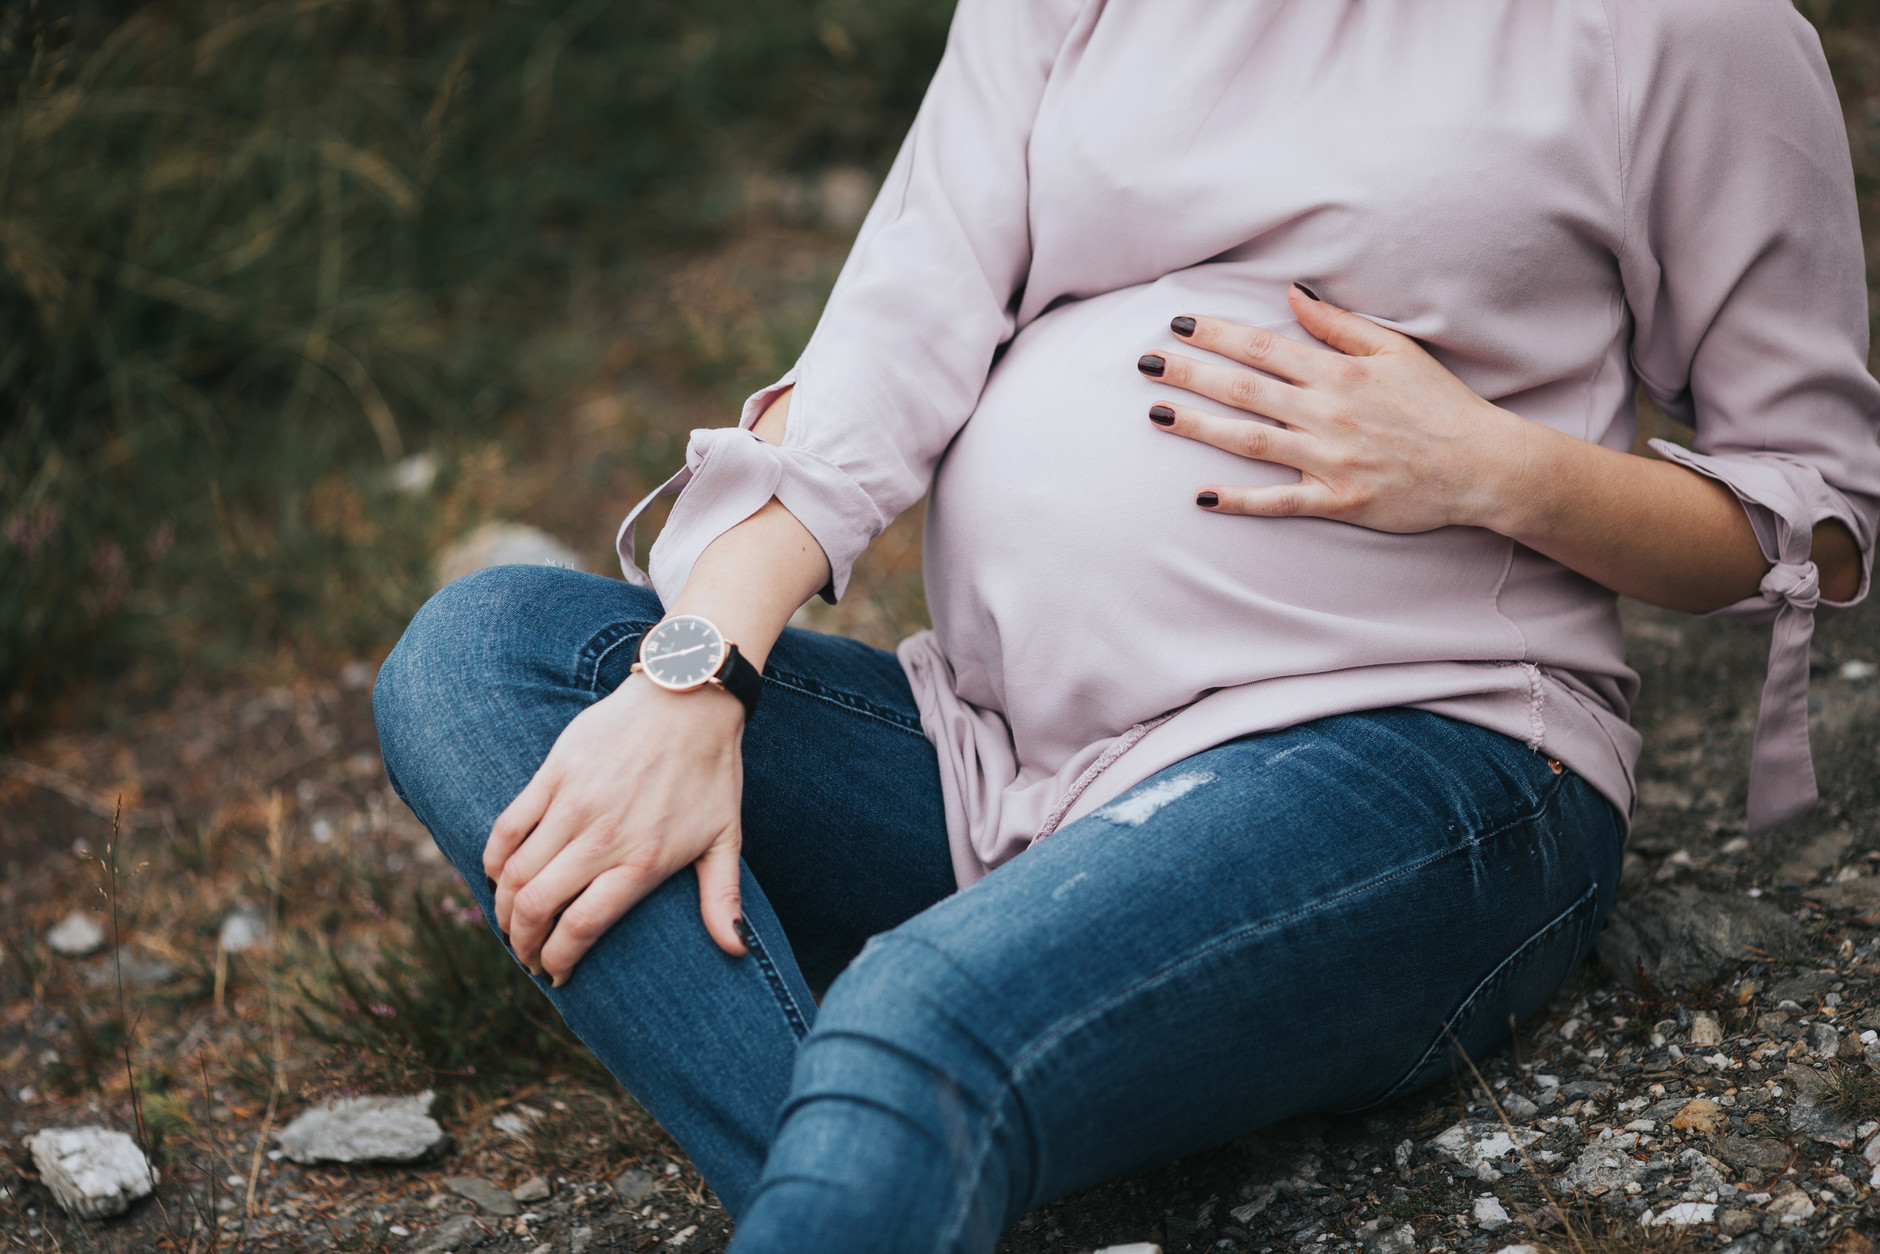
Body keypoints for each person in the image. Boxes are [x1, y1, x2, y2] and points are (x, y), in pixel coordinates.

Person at [373, 2, 1879, 1250]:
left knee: (914, 1015)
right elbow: (892, 340)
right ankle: (880, 1179)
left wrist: (1499, 466)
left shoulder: (1677, 27)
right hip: (1013, 774)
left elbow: (1816, 510)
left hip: (1422, 753)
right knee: (483, 663)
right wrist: (699, 674)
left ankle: (893, 1140)